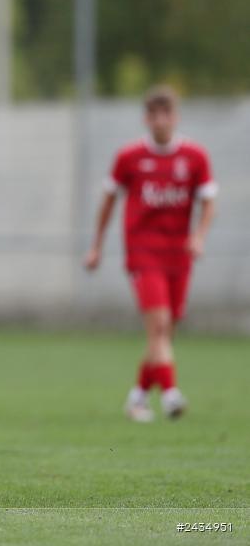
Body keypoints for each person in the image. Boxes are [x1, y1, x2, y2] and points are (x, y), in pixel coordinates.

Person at [84, 85, 216, 422]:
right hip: (143, 253)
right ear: (146, 118)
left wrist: (199, 236)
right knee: (158, 326)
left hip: (179, 255)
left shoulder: (195, 157)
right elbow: (109, 201)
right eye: (153, 114)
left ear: (176, 116)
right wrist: (97, 245)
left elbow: (209, 200)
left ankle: (137, 397)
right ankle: (171, 396)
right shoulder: (129, 158)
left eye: (166, 113)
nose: (160, 120)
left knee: (165, 333)